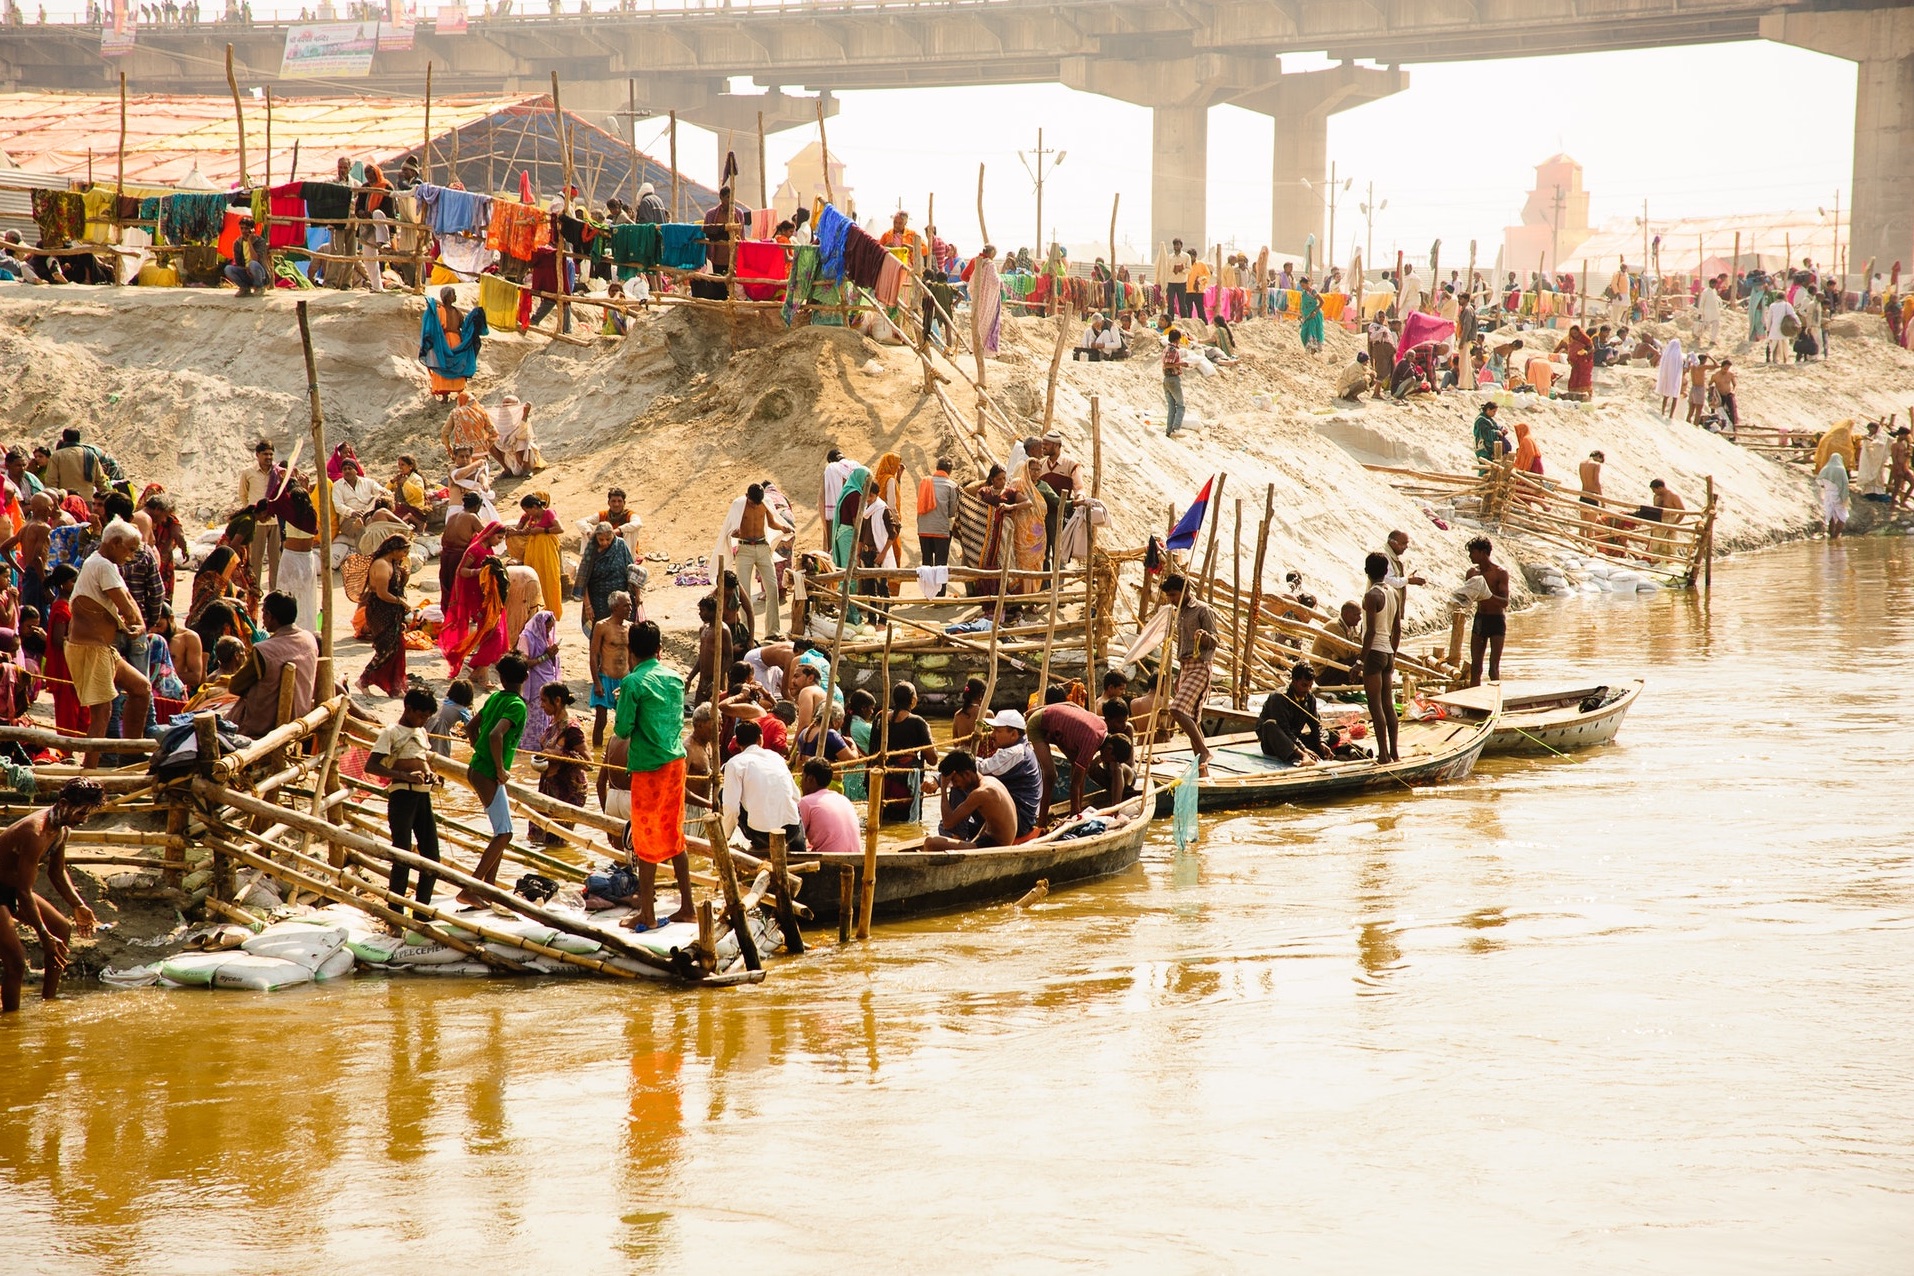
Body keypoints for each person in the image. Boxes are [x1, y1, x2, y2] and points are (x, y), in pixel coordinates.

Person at [613, 621, 695, 930]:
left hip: (649, 768)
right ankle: (687, 906)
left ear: (630, 651)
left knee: (646, 840)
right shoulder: (674, 677)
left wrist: (624, 698)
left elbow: (622, 730)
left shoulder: (633, 683)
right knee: (674, 835)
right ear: (659, 648)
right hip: (675, 764)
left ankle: (647, 913)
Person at [0, 778, 106, 1011]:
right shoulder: (35, 832)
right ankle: (10, 1022)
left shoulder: (60, 829)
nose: (84, 820)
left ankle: (48, 1002)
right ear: (64, 803)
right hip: (10, 891)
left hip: (12, 889)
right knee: (16, 962)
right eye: (80, 814)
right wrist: (43, 934)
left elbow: (57, 872)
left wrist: (78, 905)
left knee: (62, 928)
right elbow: (24, 892)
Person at [67, 523, 152, 765]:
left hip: (103, 647)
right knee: (102, 713)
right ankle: (89, 771)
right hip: (90, 648)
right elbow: (124, 605)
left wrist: (140, 624)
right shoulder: (101, 564)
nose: (131, 556)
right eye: (129, 549)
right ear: (114, 543)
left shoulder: (106, 565)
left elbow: (128, 599)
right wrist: (136, 623)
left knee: (140, 689)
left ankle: (131, 754)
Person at [459, 652, 528, 904]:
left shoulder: (496, 697)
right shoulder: (517, 705)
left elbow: (470, 727)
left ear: (500, 676)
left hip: (479, 768)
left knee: (503, 830)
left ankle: (490, 887)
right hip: (488, 773)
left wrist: (480, 752)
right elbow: (496, 735)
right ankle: (471, 888)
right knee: (504, 834)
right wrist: (499, 768)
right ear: (526, 677)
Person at [365, 689, 442, 916]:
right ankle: (395, 911)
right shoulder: (391, 732)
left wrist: (431, 775)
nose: (424, 720)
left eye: (427, 717)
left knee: (432, 856)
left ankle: (421, 910)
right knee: (402, 854)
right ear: (408, 709)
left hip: (422, 796)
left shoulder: (421, 732)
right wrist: (407, 776)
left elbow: (421, 760)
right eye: (421, 715)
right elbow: (372, 766)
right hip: (402, 796)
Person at [227, 590, 316, 739]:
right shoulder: (309, 639)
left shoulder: (264, 650)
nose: (263, 618)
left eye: (264, 613)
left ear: (270, 616)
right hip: (300, 716)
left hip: (264, 727)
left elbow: (235, 686)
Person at [1160, 574, 1217, 777]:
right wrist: (1179, 676)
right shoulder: (1180, 613)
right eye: (1169, 596)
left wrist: (1204, 638)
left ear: (1185, 591)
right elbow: (1182, 645)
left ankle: (1204, 751)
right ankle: (1203, 773)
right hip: (1185, 667)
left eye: (1174, 595)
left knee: (1176, 710)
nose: (1171, 600)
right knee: (1193, 718)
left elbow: (1216, 640)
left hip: (1201, 665)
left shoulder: (1203, 610)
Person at [720, 719, 805, 855]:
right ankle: (800, 847)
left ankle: (760, 845)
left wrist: (725, 836)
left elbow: (731, 807)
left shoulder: (734, 764)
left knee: (722, 794)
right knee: (793, 804)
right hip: (791, 831)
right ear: (760, 739)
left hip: (762, 835)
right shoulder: (776, 757)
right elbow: (796, 796)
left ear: (736, 743)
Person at [438, 521, 509, 682]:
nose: (499, 541)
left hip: (488, 596)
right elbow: (461, 571)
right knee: (495, 633)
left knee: (490, 632)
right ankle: (479, 669)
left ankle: (480, 672)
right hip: (475, 598)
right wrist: (480, 572)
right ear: (490, 534)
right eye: (499, 537)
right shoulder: (474, 550)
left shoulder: (488, 549)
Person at [530, 683, 590, 844]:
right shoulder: (553, 723)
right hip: (550, 786)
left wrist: (558, 754)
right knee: (539, 836)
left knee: (557, 841)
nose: (541, 705)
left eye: (544, 701)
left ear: (557, 701)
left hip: (568, 791)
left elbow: (588, 763)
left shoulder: (572, 728)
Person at [1027, 698, 1107, 816]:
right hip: (1038, 724)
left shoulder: (1102, 726)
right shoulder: (1092, 741)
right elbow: (1074, 785)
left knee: (1081, 769)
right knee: (1050, 775)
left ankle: (1077, 811)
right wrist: (1075, 815)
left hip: (1057, 730)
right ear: (1109, 749)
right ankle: (1042, 822)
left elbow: (1071, 704)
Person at [925, 750, 1018, 852]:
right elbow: (990, 821)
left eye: (955, 781)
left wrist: (943, 787)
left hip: (995, 845)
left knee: (930, 842)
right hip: (989, 839)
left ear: (967, 774)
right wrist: (974, 842)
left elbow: (948, 823)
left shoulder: (981, 793)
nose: (955, 786)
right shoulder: (990, 781)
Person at [731, 483, 791, 641]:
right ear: (747, 496)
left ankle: (773, 631)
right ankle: (744, 631)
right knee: (743, 592)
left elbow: (771, 522)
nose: (755, 505)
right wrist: (734, 534)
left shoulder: (764, 503)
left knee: (772, 588)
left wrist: (782, 528)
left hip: (762, 546)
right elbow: (730, 528)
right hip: (744, 549)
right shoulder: (739, 505)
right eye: (752, 502)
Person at [357, 533, 412, 696]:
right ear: (394, 549)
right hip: (380, 610)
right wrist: (401, 602)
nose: (404, 556)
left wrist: (405, 576)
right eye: (403, 552)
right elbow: (382, 593)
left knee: (398, 647)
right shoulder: (381, 565)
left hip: (392, 611)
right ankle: (364, 679)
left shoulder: (392, 563)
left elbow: (397, 587)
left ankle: (394, 685)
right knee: (386, 648)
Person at [974, 708, 1042, 836]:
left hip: (1019, 821)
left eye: (998, 731)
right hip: (1021, 816)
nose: (992, 735)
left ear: (1014, 734)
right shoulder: (1020, 748)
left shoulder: (1015, 752)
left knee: (965, 785)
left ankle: (957, 836)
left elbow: (980, 769)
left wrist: (940, 779)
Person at [878, 681, 938, 822]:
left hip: (882, 782)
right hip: (906, 784)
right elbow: (933, 759)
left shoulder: (880, 719)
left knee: (883, 821)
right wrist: (929, 735)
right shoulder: (918, 722)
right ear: (913, 700)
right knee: (907, 823)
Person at [1360, 551, 1400, 764]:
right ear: (1386, 571)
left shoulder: (1372, 595)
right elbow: (1397, 629)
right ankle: (1394, 752)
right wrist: (1392, 653)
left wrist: (1359, 661)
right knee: (1389, 705)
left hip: (1374, 654)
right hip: (1388, 652)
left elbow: (1370, 632)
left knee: (1375, 707)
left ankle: (1383, 755)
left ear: (1367, 571)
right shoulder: (1394, 593)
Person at [419, 284, 488, 401]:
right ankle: (445, 394)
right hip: (442, 343)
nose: (455, 296)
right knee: (443, 364)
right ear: (447, 297)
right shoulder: (439, 311)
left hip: (456, 341)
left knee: (458, 363)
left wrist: (474, 318)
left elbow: (464, 325)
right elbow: (435, 326)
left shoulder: (457, 312)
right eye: (453, 294)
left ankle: (459, 390)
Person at [1256, 663, 1334, 765]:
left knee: (1331, 734)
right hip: (1276, 743)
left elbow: (1316, 724)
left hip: (1295, 740)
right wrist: (1303, 749)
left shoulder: (1309, 697)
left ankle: (1322, 752)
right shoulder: (1279, 697)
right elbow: (1284, 729)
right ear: (1294, 681)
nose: (1307, 689)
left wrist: (1321, 742)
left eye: (1310, 686)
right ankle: (1303, 756)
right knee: (1269, 725)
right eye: (1304, 685)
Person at [236, 438, 283, 593]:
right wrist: (252, 513)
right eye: (265, 454)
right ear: (257, 454)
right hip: (257, 523)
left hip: (275, 521)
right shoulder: (248, 473)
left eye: (271, 454)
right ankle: (254, 592)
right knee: (255, 559)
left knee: (275, 559)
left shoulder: (277, 473)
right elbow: (243, 495)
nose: (268, 458)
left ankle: (273, 592)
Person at [586, 590, 632, 748]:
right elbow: (593, 655)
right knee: (601, 721)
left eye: (630, 605)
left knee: (625, 720)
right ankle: (597, 752)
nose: (630, 608)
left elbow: (632, 656)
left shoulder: (630, 627)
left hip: (625, 679)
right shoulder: (601, 626)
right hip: (605, 678)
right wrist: (597, 682)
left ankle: (621, 752)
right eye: (626, 606)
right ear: (615, 607)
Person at [573, 520, 635, 636]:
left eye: (608, 539)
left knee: (623, 633)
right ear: (596, 538)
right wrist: (588, 606)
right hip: (599, 603)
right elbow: (583, 579)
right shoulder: (591, 551)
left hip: (620, 601)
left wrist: (637, 595)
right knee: (601, 634)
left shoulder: (620, 545)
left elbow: (631, 571)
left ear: (613, 535)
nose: (605, 542)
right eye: (601, 540)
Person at [1464, 536, 1509, 686]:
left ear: (1483, 553)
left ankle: (1496, 701)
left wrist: (1487, 595)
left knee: (1493, 668)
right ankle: (1473, 703)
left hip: (1496, 620)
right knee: (1476, 667)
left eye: (1473, 552)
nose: (1470, 556)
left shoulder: (1500, 573)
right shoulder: (1472, 573)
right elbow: (1467, 598)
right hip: (1480, 619)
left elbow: (1504, 602)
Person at [516, 607, 562, 747]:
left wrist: (552, 654)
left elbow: (550, 659)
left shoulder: (546, 638)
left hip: (547, 684)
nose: (548, 632)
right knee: (534, 721)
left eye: (550, 629)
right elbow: (523, 663)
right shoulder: (526, 637)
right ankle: (530, 749)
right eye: (547, 628)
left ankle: (543, 751)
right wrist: (545, 656)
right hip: (534, 686)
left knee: (546, 720)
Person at [798, 758, 861, 857]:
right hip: (856, 858)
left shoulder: (806, 802)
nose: (801, 783)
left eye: (802, 777)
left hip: (828, 862)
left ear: (810, 779)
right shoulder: (843, 799)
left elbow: (796, 839)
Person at [916, 457, 959, 574]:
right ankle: (940, 592)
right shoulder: (952, 486)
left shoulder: (924, 482)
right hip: (941, 530)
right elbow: (951, 512)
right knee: (941, 565)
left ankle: (928, 591)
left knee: (926, 563)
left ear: (937, 468)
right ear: (950, 471)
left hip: (923, 529)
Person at [1310, 601, 1364, 686]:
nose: (1359, 618)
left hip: (1334, 666)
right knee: (1359, 661)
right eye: (1356, 615)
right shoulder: (1335, 627)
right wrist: (1361, 635)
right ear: (1346, 614)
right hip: (1322, 672)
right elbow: (1348, 654)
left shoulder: (1350, 627)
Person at [426, 678, 474, 758]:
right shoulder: (462, 711)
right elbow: (471, 727)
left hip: (426, 727)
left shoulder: (440, 701)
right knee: (439, 759)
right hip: (439, 732)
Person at [223, 215, 270, 296]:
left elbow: (256, 259)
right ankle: (244, 288)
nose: (243, 231)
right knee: (228, 269)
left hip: (259, 273)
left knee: (253, 264)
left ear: (252, 229)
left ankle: (259, 287)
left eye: (246, 228)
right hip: (246, 272)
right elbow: (238, 263)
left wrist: (249, 242)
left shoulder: (260, 241)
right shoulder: (237, 243)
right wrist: (246, 269)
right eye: (242, 228)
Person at [1817, 449, 1850, 539]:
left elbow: (1820, 483)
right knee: (1843, 516)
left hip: (1827, 494)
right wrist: (1845, 496)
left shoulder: (1825, 468)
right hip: (1837, 494)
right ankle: (1836, 535)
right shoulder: (1841, 469)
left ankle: (1832, 535)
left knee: (1830, 515)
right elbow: (1845, 483)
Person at [1162, 327, 1189, 438]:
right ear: (1177, 339)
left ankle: (1169, 430)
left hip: (1166, 379)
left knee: (1172, 406)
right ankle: (1175, 429)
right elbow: (1168, 364)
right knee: (1181, 406)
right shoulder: (1173, 350)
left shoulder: (1166, 348)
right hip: (1173, 378)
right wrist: (1180, 364)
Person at [1764, 292, 1798, 365]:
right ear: (1784, 297)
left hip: (1774, 328)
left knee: (1774, 345)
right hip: (1784, 328)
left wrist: (1768, 329)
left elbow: (1769, 318)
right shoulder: (1787, 305)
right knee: (1785, 344)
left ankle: (1774, 360)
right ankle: (1785, 360)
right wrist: (1799, 323)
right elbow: (1793, 315)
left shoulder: (1772, 305)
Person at [1562, 324, 1594, 400]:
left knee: (1584, 378)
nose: (1574, 335)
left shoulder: (1585, 338)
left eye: (1575, 333)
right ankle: (1574, 394)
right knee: (1574, 377)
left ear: (1579, 332)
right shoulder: (1571, 339)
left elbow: (1592, 348)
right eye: (1572, 333)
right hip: (1576, 362)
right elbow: (1571, 349)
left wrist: (1586, 352)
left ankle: (1586, 395)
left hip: (1585, 362)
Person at [1578, 450, 1605, 530]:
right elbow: (1596, 483)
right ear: (1598, 457)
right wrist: (1602, 501)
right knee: (1590, 526)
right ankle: (1589, 542)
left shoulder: (1582, 463)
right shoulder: (1596, 465)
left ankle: (1581, 542)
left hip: (1583, 494)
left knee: (1582, 525)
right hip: (1593, 496)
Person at [1472, 401, 1505, 466]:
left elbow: (1493, 427)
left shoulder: (1488, 419)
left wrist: (1501, 429)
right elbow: (1485, 433)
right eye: (1494, 411)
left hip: (1488, 448)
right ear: (1488, 410)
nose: (1495, 414)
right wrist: (1496, 433)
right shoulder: (1481, 420)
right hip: (1483, 448)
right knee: (1485, 467)